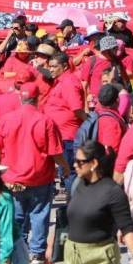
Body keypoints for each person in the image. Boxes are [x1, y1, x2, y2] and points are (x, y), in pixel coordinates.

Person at [0, 82, 69, 264]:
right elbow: (55, 152)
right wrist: (65, 167)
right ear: (38, 98)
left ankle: (18, 249)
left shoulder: (7, 119)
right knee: (39, 215)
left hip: (11, 178)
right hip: (39, 178)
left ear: (21, 97)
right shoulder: (45, 121)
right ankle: (37, 253)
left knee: (16, 216)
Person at [64, 140, 133, 264]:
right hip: (72, 257)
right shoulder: (78, 184)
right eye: (74, 160)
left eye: (79, 162)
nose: (74, 165)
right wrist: (51, 245)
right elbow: (71, 219)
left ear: (94, 163)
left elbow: (127, 229)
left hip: (99, 258)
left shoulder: (112, 192)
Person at [42, 52, 86, 191]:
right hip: (61, 135)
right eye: (50, 67)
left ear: (65, 66)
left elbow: (77, 109)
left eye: (54, 67)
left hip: (68, 136)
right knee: (66, 172)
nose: (51, 70)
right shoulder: (61, 82)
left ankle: (72, 207)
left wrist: (89, 122)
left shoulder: (69, 82)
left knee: (70, 173)